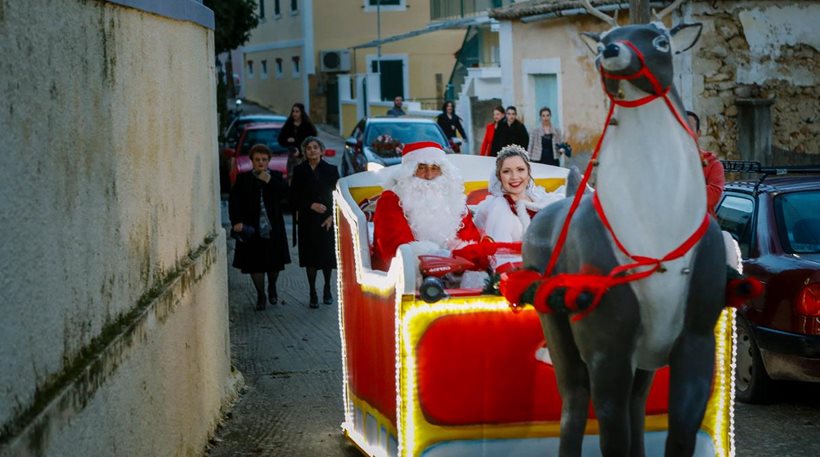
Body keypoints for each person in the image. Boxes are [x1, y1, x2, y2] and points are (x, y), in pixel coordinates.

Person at [372, 141, 481, 272]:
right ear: (409, 172)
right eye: (422, 168)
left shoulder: (453, 199)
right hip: (403, 278)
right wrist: (440, 261)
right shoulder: (391, 200)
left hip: (454, 272)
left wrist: (462, 259)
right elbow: (396, 250)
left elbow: (470, 239)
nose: (429, 175)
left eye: (435, 168)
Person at [473, 145, 564, 270]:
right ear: (499, 176)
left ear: (528, 172)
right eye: (506, 171)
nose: (514, 177)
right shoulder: (499, 207)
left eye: (520, 169)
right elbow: (502, 258)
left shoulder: (541, 198)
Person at [229, 144, 291, 310]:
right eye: (257, 160)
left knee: (274, 263)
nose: (261, 162)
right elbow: (234, 202)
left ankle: (272, 286)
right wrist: (236, 221)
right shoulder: (243, 179)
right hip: (251, 228)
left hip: (273, 228)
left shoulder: (276, 176)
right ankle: (261, 295)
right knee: (255, 264)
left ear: (269, 160)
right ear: (252, 161)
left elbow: (286, 194)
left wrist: (269, 180)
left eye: (264, 159)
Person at [289, 137, 340, 308]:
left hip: (327, 220)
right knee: (310, 258)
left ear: (321, 151)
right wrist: (310, 205)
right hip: (307, 219)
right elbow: (293, 197)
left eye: (315, 147)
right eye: (308, 148)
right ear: (305, 152)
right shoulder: (299, 171)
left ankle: (327, 289)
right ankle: (312, 291)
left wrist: (332, 216)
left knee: (326, 258)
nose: (312, 150)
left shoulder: (331, 170)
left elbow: (338, 196)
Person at [686, 110, 725, 218]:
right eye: (681, 128)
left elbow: (712, 197)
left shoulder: (713, 165)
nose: (685, 132)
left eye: (689, 128)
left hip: (702, 229)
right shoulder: (669, 162)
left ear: (699, 133)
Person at [278, 103, 318, 178]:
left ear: (301, 112)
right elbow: (281, 140)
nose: (294, 114)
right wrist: (288, 141)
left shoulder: (307, 125)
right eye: (293, 111)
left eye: (297, 111)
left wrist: (299, 147)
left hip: (306, 158)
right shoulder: (289, 125)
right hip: (293, 159)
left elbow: (311, 140)